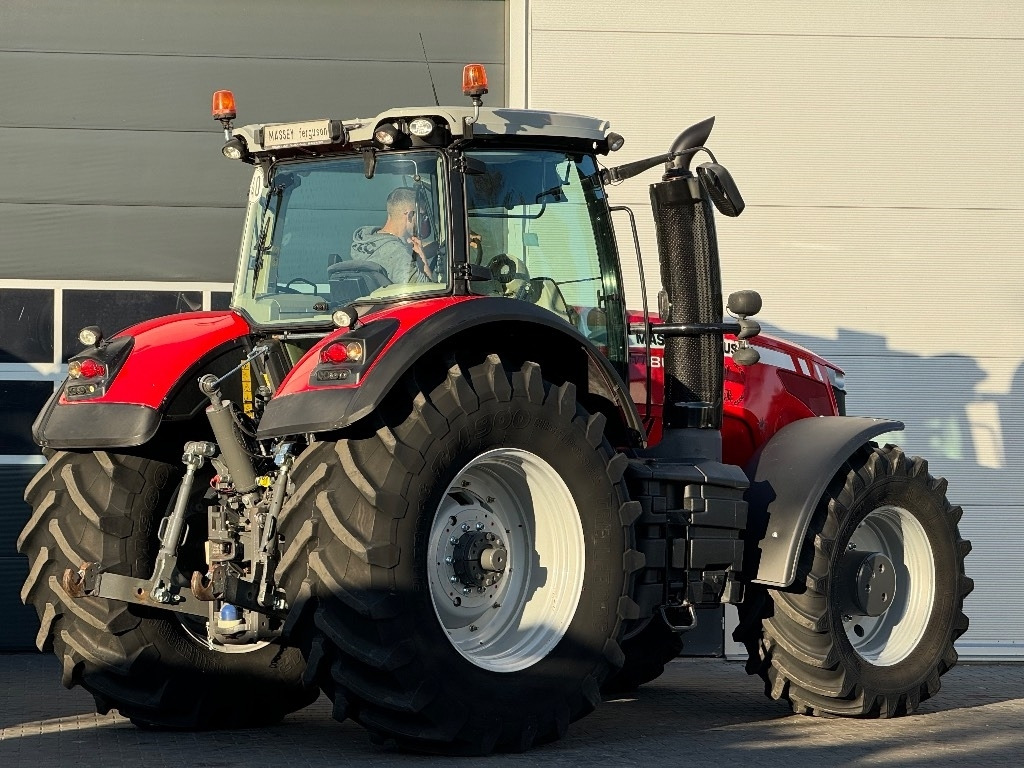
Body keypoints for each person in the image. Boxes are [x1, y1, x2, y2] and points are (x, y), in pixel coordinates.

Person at [350, 187, 434, 283]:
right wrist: (422, 259)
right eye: (422, 215)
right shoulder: (398, 254)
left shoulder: (362, 242)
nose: (423, 220)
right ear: (410, 216)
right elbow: (429, 290)